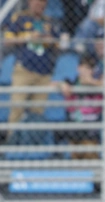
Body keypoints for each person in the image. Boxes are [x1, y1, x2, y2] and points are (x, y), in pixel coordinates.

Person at [2, 0, 64, 128]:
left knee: (37, 112)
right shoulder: (20, 18)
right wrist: (28, 37)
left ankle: (33, 141)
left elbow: (60, 44)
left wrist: (49, 40)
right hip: (24, 69)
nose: (39, 5)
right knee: (17, 107)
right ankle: (12, 141)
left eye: (42, 3)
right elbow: (7, 40)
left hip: (44, 72)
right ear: (30, 2)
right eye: (36, 2)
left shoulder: (49, 22)